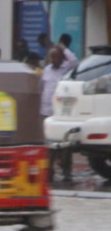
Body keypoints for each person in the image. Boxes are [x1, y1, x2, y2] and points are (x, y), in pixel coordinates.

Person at [40, 46, 77, 183]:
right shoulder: (46, 70)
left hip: (61, 114)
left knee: (64, 144)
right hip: (46, 112)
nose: (53, 59)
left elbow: (74, 61)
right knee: (49, 146)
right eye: (52, 56)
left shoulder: (67, 69)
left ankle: (67, 173)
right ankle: (49, 173)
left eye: (56, 56)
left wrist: (64, 48)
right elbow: (42, 88)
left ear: (62, 58)